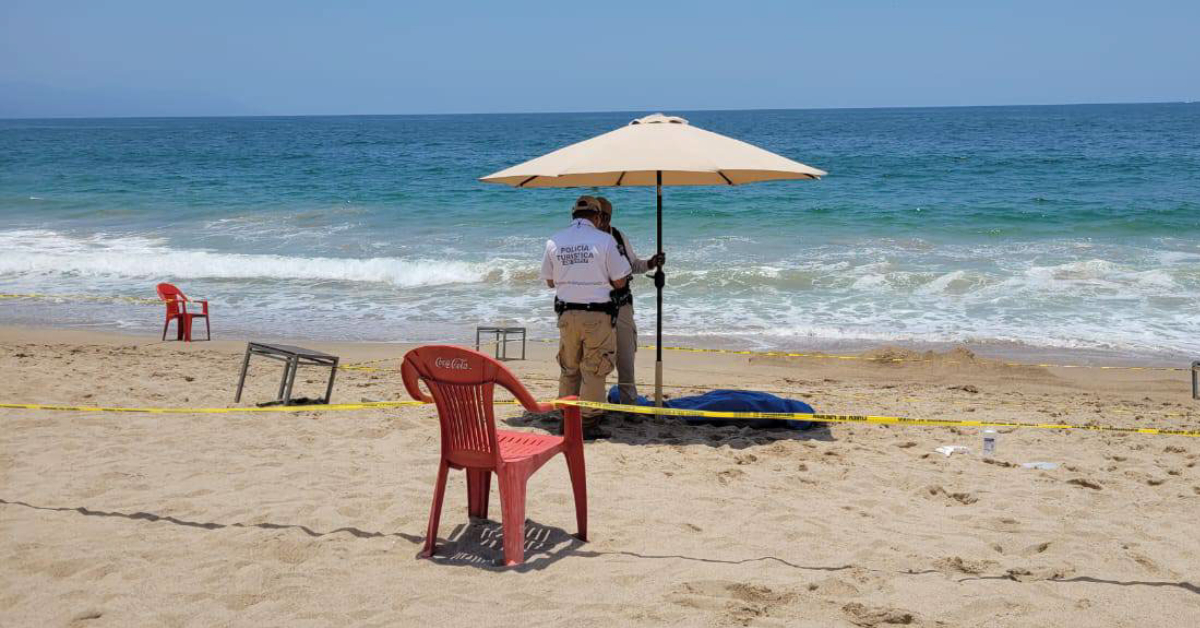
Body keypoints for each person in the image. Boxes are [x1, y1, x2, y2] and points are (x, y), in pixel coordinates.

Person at [541, 195, 632, 439]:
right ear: (597, 217)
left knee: (569, 367)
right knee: (594, 369)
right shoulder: (604, 241)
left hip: (566, 313)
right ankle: (588, 423)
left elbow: (550, 281)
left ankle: (567, 419)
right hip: (597, 314)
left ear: (573, 216)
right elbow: (621, 279)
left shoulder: (554, 241)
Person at [596, 196, 665, 405]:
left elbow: (634, 264)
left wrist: (652, 263)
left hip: (622, 305)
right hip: (596, 308)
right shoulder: (586, 240)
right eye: (597, 216)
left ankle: (628, 402)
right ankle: (594, 402)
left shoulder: (617, 235)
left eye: (604, 216)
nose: (600, 220)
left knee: (626, 355)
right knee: (596, 359)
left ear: (607, 217)